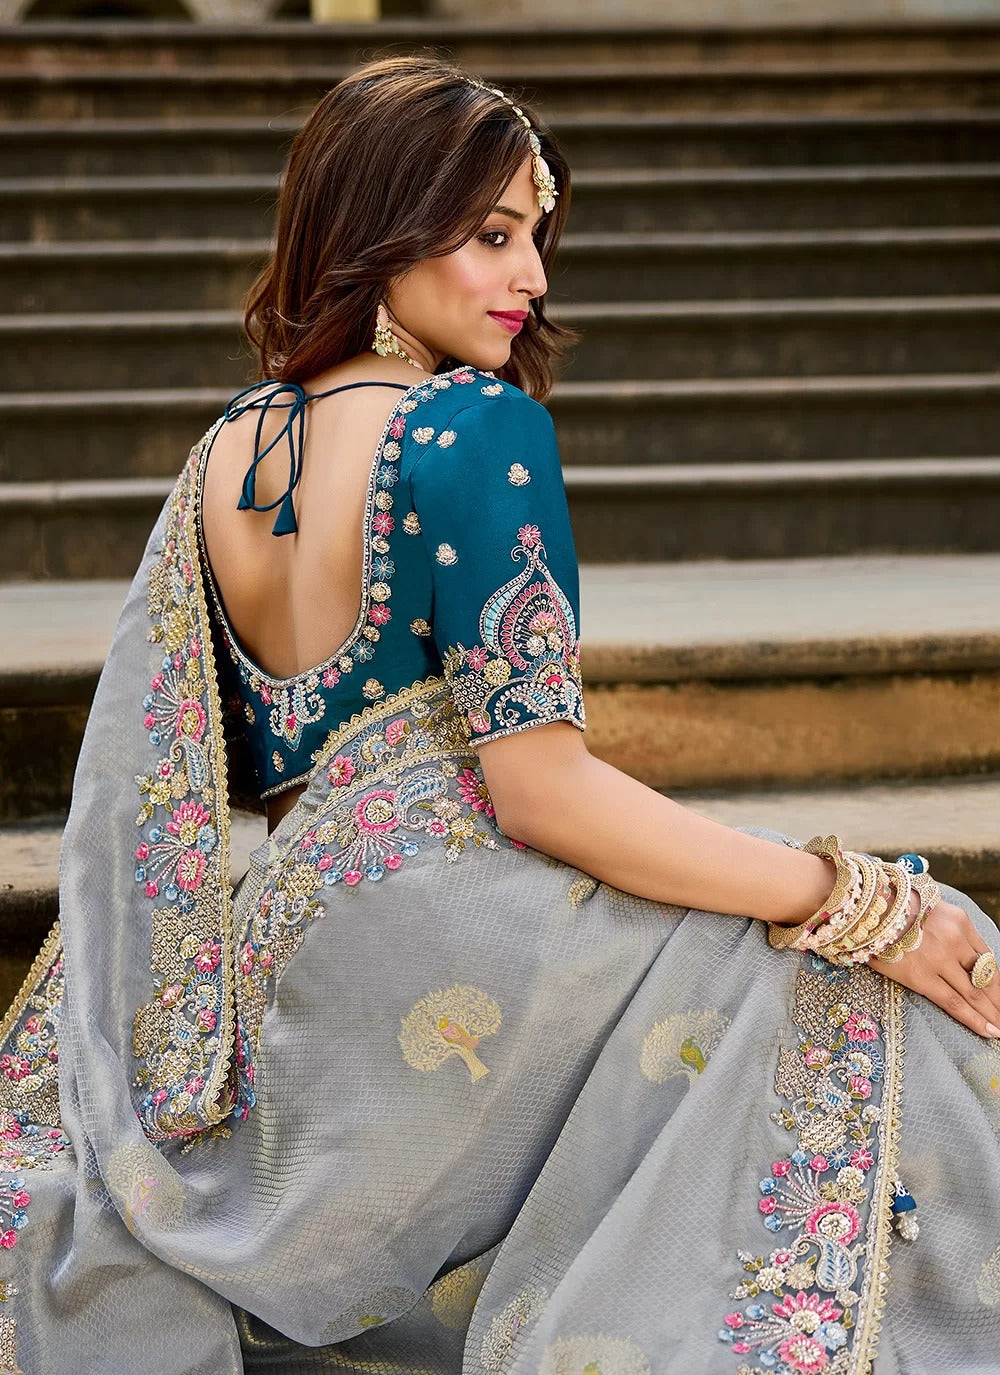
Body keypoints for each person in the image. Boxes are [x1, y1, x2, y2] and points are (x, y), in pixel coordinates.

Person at [1, 54, 998, 1375]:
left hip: (304, 958)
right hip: (460, 928)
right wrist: (850, 894)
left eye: (536, 237)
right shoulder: (472, 429)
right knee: (880, 960)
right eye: (490, 236)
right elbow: (541, 793)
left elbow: (213, 778)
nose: (530, 275)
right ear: (383, 229)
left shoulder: (225, 451)